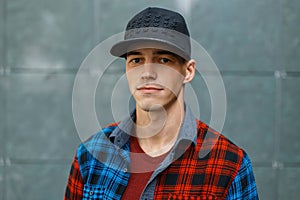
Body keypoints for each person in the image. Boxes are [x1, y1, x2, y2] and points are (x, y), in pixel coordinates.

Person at [65, 7, 259, 200]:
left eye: (164, 59)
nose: (147, 72)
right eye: (136, 60)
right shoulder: (91, 154)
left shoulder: (230, 165)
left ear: (188, 71)